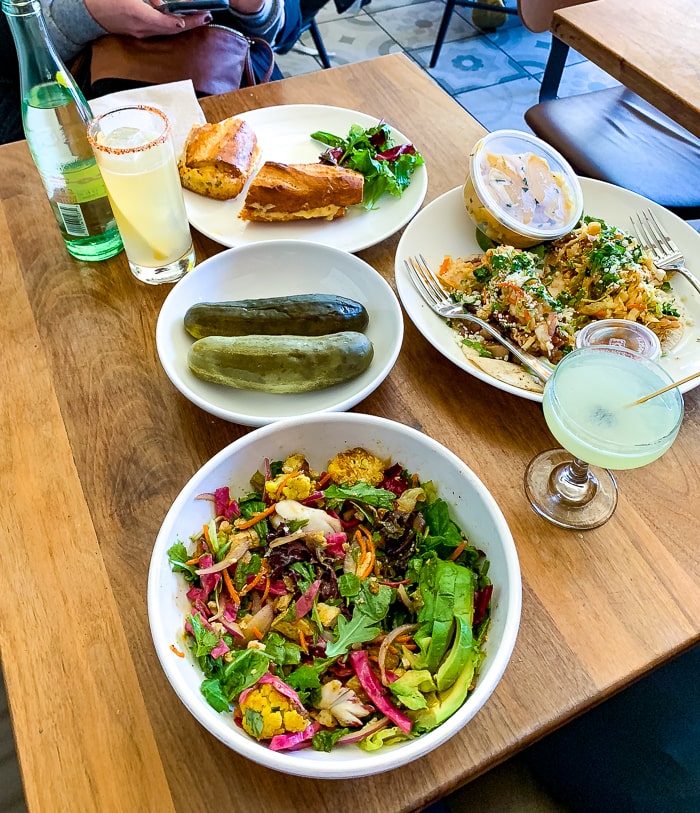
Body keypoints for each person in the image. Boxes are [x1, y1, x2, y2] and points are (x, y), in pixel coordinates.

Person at [0, 0, 296, 144]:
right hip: (86, 109)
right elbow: (17, 54)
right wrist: (89, 13)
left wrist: (255, 6)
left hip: (237, 89)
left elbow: (280, 28)